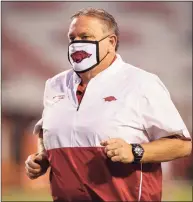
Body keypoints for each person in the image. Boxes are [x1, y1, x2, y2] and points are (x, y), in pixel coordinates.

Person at [25, 8, 192, 202]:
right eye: (72, 38)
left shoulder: (141, 83)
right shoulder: (54, 85)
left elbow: (182, 145)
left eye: (85, 37)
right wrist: (42, 157)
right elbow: (46, 131)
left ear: (111, 43)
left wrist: (134, 151)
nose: (77, 44)